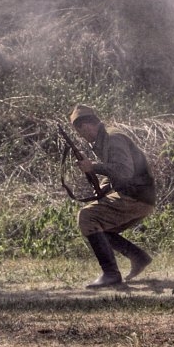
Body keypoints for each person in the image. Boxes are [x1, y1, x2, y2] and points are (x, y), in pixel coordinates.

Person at [69, 104, 156, 288]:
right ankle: (138, 257)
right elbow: (116, 173)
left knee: (87, 217)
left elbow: (125, 171)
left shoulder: (112, 138)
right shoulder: (105, 139)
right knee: (99, 227)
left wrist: (93, 167)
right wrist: (102, 189)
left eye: (81, 132)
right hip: (139, 195)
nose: (82, 137)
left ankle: (111, 274)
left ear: (86, 126)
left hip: (136, 196)